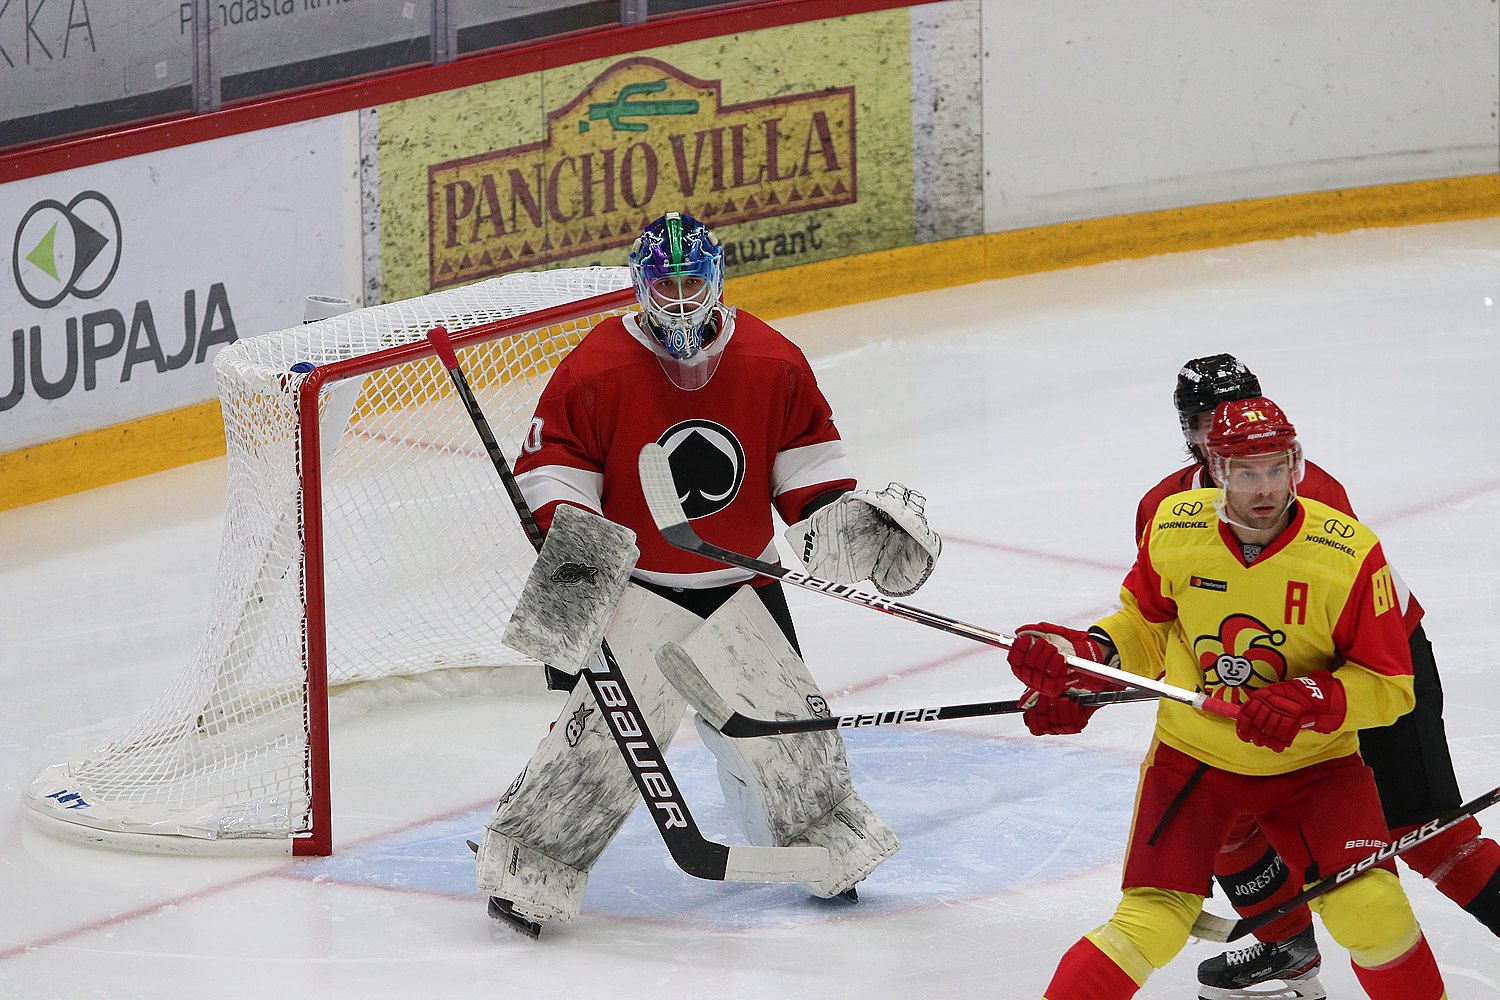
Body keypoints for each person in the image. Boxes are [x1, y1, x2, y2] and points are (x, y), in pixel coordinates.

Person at [472, 211, 941, 937]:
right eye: (667, 283)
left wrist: (858, 535)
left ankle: (819, 848)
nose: (682, 298)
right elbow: (555, 470)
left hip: (744, 587)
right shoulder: (596, 367)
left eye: (694, 281)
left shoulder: (771, 361)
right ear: (641, 287)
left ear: (719, 279)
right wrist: (579, 556)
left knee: (785, 736)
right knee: (603, 745)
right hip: (640, 594)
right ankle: (530, 869)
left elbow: (811, 481)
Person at [1008, 395, 1446, 998]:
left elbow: (1392, 686)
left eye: (1275, 468)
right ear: (1217, 471)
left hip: (1315, 767)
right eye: (1245, 472)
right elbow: (1148, 625)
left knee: (1371, 909)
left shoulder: (1348, 554)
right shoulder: (1175, 527)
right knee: (1150, 923)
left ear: (1296, 466)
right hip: (1194, 761)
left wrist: (1311, 697)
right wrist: (1088, 656)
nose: (1263, 488)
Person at [1137, 355, 1498, 998]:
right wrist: (1103, 664)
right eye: (1205, 419)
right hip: (1271, 692)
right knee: (1225, 820)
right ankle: (1288, 950)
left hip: (1375, 673)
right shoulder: (1164, 508)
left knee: (1422, 835)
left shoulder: (1309, 492)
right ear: (1189, 430)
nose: (1226, 427)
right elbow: (1165, 620)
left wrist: (1312, 697)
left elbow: (1339, 638)